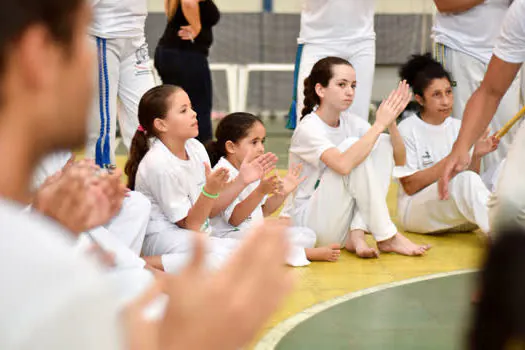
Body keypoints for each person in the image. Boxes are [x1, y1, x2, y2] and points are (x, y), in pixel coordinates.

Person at [0, 0, 293, 348]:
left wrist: (54, 221)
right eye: (83, 36)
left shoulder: (196, 149)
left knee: (140, 221)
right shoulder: (38, 270)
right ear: (38, 55)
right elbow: (195, 220)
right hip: (165, 237)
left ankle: (140, 267)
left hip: (109, 249)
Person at [282, 56, 430, 258]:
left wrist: (391, 123)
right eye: (341, 85)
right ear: (320, 90)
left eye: (353, 85)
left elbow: (399, 159)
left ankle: (357, 233)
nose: (349, 91)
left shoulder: (352, 122)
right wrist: (378, 125)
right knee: (354, 148)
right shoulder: (309, 128)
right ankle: (386, 236)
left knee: (383, 144)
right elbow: (342, 165)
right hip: (309, 225)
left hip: (338, 224)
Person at [125, 85, 279, 273]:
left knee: (252, 252)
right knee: (230, 259)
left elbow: (210, 211)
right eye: (184, 110)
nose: (194, 114)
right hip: (164, 238)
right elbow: (192, 223)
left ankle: (163, 267)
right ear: (161, 124)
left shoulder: (195, 148)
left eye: (190, 107)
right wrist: (210, 191)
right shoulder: (158, 163)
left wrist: (242, 181)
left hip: (191, 235)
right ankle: (146, 264)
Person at [207, 112, 341, 265]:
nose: (261, 148)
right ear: (231, 147)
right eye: (254, 142)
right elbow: (235, 220)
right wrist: (261, 191)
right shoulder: (223, 173)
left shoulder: (252, 168)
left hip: (254, 232)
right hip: (231, 237)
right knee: (258, 246)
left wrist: (283, 192)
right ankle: (305, 253)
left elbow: (264, 210)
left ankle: (288, 250)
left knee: (306, 234)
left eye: (262, 141)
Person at [439, 0, 525, 233]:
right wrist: (461, 146)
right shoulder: (520, 11)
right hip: (463, 47)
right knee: (508, 205)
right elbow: (490, 91)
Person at [395, 54, 498, 236]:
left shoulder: (460, 127)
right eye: (436, 95)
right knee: (468, 182)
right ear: (419, 99)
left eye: (449, 92)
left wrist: (475, 156)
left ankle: (508, 231)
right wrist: (453, 157)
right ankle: (507, 242)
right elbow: (409, 186)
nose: (446, 101)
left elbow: (468, 181)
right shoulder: (407, 129)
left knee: (503, 170)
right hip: (415, 213)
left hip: (453, 213)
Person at [432, 0, 517, 173]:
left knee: (504, 145)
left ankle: (494, 199)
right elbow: (443, 3)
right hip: (460, 46)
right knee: (461, 143)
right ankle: (463, 198)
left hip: (507, 52)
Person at [87, 0, 156, 167]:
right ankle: (100, 181)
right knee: (102, 123)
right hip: (102, 35)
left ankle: (147, 178)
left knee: (150, 114)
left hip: (136, 37)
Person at [288, 0, 376, 129]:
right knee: (309, 115)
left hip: (361, 39)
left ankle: (352, 148)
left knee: (357, 117)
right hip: (317, 40)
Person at [154, 0, 219, 143]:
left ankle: (175, 152)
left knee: (175, 107)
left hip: (170, 53)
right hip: (185, 55)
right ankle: (202, 157)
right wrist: (197, 28)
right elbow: (189, 2)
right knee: (197, 109)